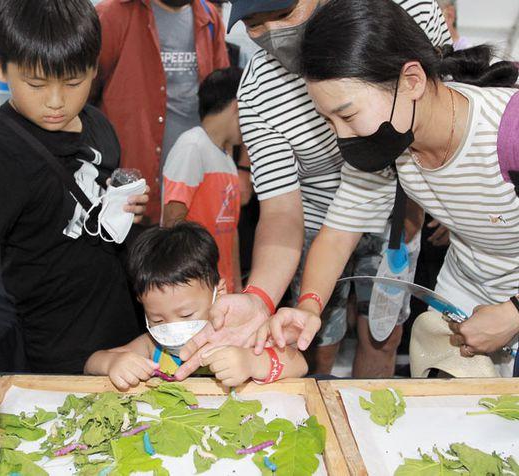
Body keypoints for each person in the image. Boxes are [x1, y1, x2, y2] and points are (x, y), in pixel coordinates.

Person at [174, 0, 452, 380]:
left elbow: (444, 102)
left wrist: (420, 200)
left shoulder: (403, 12)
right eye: (255, 24)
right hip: (318, 222)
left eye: (284, 15)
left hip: (395, 218)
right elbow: (281, 213)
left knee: (383, 333)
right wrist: (259, 298)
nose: (273, 32)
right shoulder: (258, 93)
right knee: (314, 339)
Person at [0, 0, 149, 453]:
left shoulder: (100, 127)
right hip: (62, 354)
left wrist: (121, 208)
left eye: (74, 82)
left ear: (94, 69)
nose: (55, 101)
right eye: (34, 82)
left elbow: (81, 213)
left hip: (125, 330)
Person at [269, 0, 519, 377]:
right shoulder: (390, 146)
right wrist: (308, 307)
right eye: (328, 119)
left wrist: (513, 314)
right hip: (464, 299)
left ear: (412, 81)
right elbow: (338, 236)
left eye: (348, 114)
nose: (342, 134)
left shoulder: (507, 131)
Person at [85, 223, 307, 389]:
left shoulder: (241, 336)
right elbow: (92, 362)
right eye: (157, 319)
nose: (172, 327)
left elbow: (299, 365)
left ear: (219, 293)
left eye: (186, 314)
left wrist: (251, 362)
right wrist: (114, 363)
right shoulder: (152, 346)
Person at [91, 0, 230, 225]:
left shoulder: (209, 17)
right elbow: (83, 94)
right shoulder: (112, 16)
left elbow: (223, 100)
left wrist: (238, 169)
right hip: (129, 191)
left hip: (194, 187)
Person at [162, 67, 243, 293]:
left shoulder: (226, 158)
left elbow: (231, 230)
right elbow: (172, 223)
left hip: (222, 287)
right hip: (196, 287)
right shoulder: (192, 146)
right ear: (238, 105)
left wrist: (237, 286)